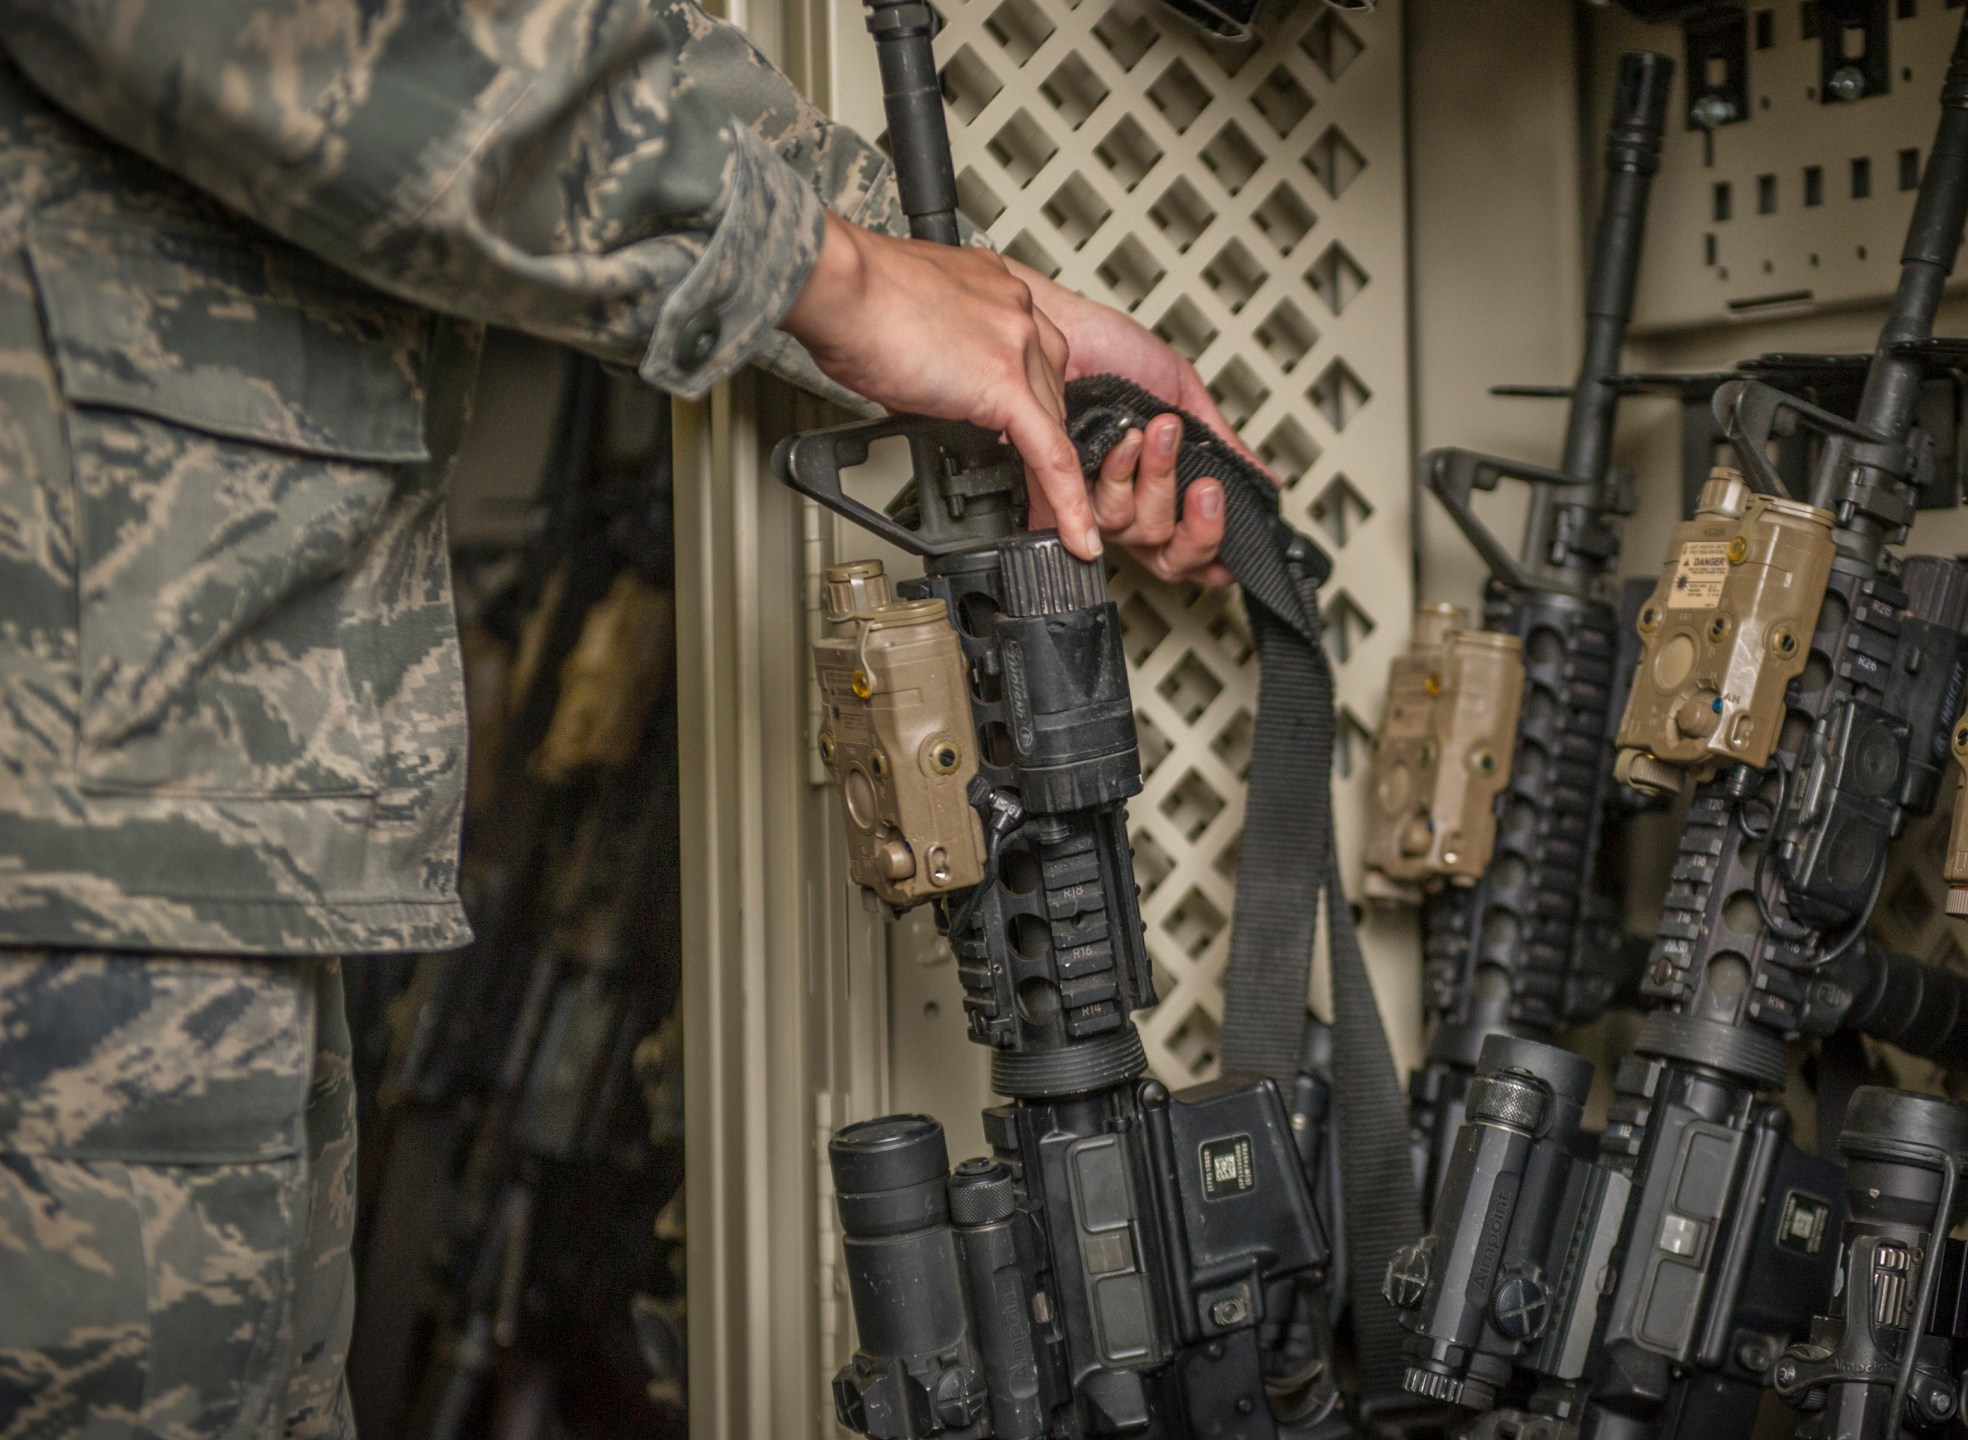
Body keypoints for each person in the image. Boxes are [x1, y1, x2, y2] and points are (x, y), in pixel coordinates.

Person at [0, 1, 1247, 1433]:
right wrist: (827, 276)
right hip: (95, 804)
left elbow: (533, 31)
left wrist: (992, 317)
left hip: (189, 803)